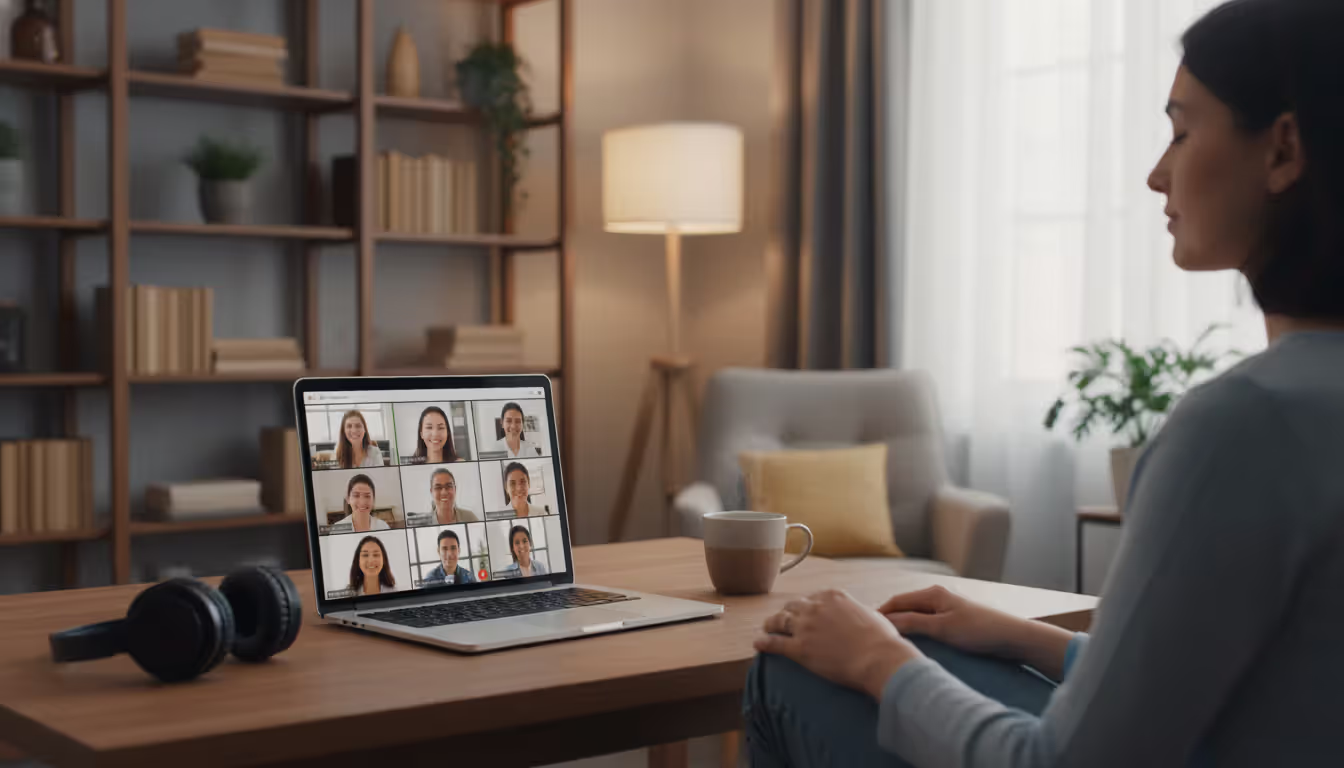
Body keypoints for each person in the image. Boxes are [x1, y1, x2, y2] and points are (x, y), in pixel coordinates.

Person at [743, 1, 1344, 766]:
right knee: (965, 658)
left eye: (1183, 130)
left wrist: (876, 660)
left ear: (1283, 148)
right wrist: (1019, 634)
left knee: (789, 665)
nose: (1157, 172)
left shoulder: (1247, 426)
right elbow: (1272, 694)